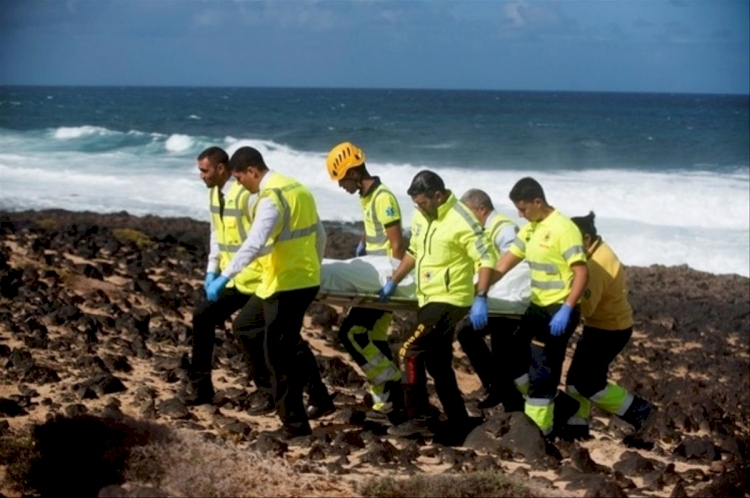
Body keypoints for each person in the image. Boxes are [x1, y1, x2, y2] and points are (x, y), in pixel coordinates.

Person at [206, 146, 333, 438]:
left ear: (252, 171)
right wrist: (314, 267)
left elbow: (253, 243)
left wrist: (224, 276)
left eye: (240, 179)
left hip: (289, 284)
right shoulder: (298, 188)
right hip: (282, 280)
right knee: (245, 327)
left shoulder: (270, 197)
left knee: (279, 354)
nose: (239, 185)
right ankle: (273, 392)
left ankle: (295, 426)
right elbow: (321, 235)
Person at [379, 170, 496, 439]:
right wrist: (394, 280)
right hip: (428, 297)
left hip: (450, 299)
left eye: (423, 202)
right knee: (438, 361)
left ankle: (417, 417)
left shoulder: (461, 219)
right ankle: (458, 419)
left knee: (408, 350)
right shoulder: (421, 216)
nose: (419, 207)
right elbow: (414, 252)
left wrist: (481, 296)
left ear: (438, 196)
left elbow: (487, 258)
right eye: (416, 203)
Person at [490, 177, 588, 440]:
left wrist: (567, 307)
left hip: (559, 309)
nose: (520, 216)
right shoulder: (531, 228)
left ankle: (539, 433)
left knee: (541, 372)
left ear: (538, 201)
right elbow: (505, 263)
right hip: (537, 307)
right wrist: (479, 288)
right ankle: (562, 406)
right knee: (511, 357)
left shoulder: (564, 229)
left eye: (523, 209)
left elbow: (581, 273)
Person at [185, 146, 272, 410]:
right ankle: (201, 388)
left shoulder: (245, 194)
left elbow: (258, 239)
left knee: (274, 335)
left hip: (257, 278)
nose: (201, 175)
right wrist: (212, 270)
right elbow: (217, 234)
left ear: (221, 169)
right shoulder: (214, 194)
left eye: (204, 170)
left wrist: (224, 276)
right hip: (232, 279)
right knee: (202, 316)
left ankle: (270, 392)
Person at [326, 142, 406, 423]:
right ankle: (388, 406)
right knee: (374, 339)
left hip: (383, 279)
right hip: (372, 273)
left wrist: (393, 282)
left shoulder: (383, 198)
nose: (340, 186)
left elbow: (397, 244)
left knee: (352, 333)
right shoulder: (367, 196)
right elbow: (375, 232)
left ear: (353, 171)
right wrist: (362, 243)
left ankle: (392, 383)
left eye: (342, 179)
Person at [563, 212, 655, 440]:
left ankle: (640, 411)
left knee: (589, 384)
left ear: (585, 238)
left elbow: (586, 308)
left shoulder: (595, 265)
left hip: (609, 330)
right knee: (576, 381)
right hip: (603, 327)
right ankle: (577, 429)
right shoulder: (595, 252)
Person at [455, 189, 529, 412]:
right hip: (497, 300)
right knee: (497, 353)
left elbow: (515, 267)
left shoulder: (503, 228)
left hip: (509, 301)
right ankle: (501, 391)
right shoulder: (484, 229)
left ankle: (508, 397)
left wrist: (484, 295)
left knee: (472, 336)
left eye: (468, 213)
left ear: (481, 209)